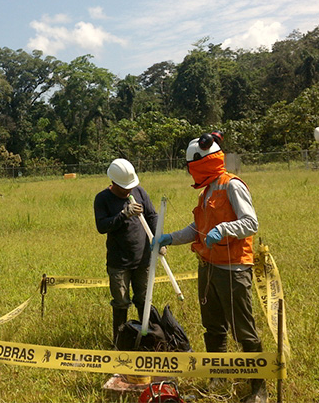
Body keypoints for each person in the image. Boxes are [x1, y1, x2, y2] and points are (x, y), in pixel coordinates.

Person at [153, 133, 267, 403]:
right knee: (213, 328)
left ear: (202, 162)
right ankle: (217, 378)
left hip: (233, 270)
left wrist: (224, 229)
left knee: (243, 330)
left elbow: (251, 223)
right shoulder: (208, 190)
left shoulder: (231, 186)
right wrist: (171, 237)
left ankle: (259, 388)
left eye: (192, 166)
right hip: (207, 267)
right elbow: (198, 229)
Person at [94, 158, 158, 345]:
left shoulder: (139, 192)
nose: (129, 190)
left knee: (144, 300)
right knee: (121, 302)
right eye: (124, 187)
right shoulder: (102, 198)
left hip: (143, 258)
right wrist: (123, 215)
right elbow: (102, 226)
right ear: (114, 182)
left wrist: (158, 240)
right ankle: (120, 342)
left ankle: (149, 339)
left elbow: (152, 216)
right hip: (119, 262)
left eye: (130, 186)